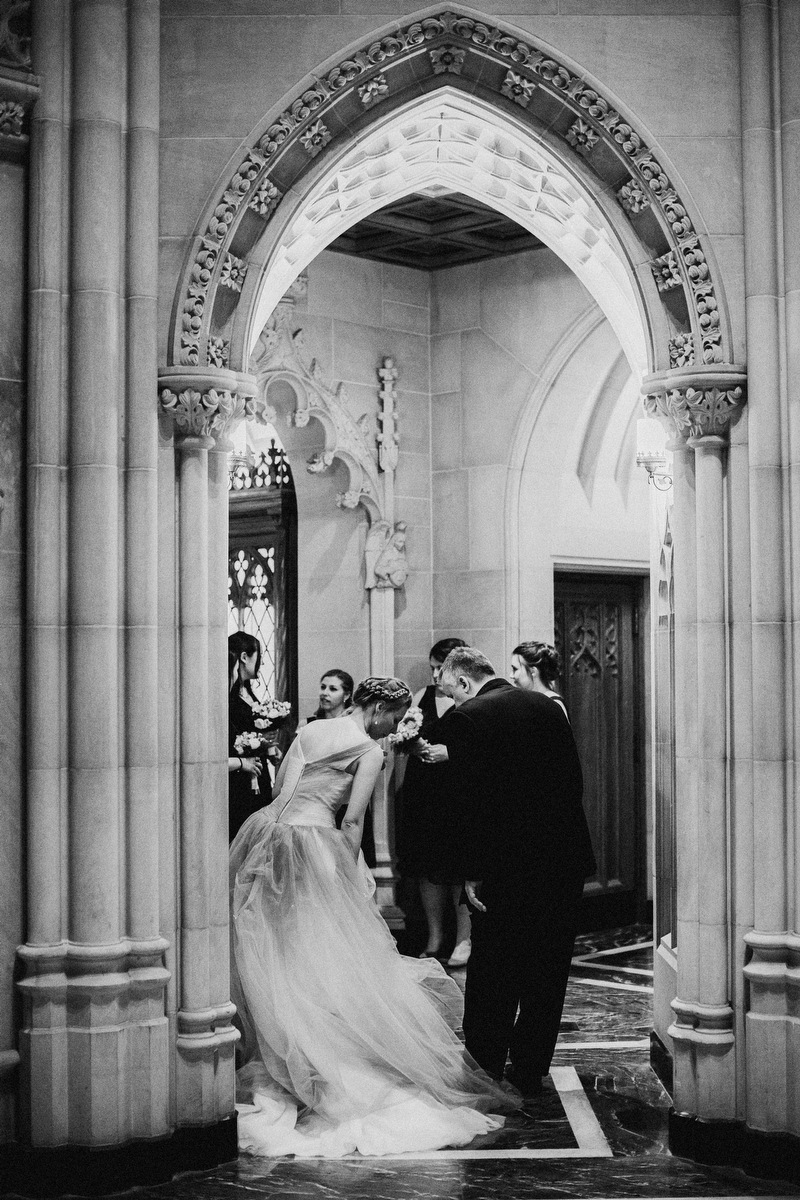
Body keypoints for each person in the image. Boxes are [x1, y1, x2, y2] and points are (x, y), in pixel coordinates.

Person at [230, 676, 518, 1157]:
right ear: (380, 708)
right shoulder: (368, 750)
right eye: (394, 718)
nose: (391, 731)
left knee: (271, 944)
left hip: (265, 833)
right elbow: (351, 820)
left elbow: (282, 786)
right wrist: (346, 870)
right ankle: (314, 1050)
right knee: (322, 948)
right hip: (313, 842)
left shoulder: (312, 729)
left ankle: (281, 1043)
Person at [418, 646, 595, 1095]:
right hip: (561, 861)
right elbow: (572, 784)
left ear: (462, 682)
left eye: (448, 690)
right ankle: (531, 1065)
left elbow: (471, 804)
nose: (451, 701)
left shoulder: (470, 717)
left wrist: (472, 871)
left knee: (495, 968)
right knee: (547, 968)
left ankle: (485, 1064)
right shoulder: (547, 705)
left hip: (504, 867)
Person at [398, 637, 472, 966]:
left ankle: (464, 939)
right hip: (424, 790)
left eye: (438, 668)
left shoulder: (471, 701)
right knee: (427, 866)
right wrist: (412, 746)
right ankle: (434, 936)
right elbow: (405, 736)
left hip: (458, 792)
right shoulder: (422, 697)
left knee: (460, 867)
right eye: (430, 668)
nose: (433, 675)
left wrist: (451, 754)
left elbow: (483, 750)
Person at [228, 631, 274, 842]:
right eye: (259, 656)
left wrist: (267, 743)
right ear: (244, 657)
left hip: (257, 768)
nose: (261, 663)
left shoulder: (249, 690)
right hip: (238, 772)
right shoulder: (229, 694)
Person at [510, 641, 568, 717]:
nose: (511, 675)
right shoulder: (525, 702)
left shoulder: (553, 705)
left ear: (532, 671)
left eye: (515, 669)